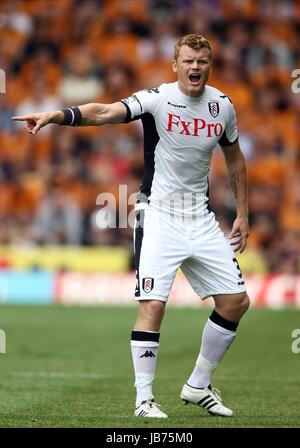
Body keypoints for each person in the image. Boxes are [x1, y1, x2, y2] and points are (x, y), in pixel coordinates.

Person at [12, 34, 250, 419]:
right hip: (157, 214)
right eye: (188, 61)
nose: (195, 68)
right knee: (153, 305)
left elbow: (235, 159)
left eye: (202, 61)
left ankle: (198, 385)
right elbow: (105, 112)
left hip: (201, 218)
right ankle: (144, 400)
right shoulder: (157, 99)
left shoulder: (222, 107)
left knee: (236, 302)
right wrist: (57, 115)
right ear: (175, 65)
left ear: (210, 65)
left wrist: (242, 212)